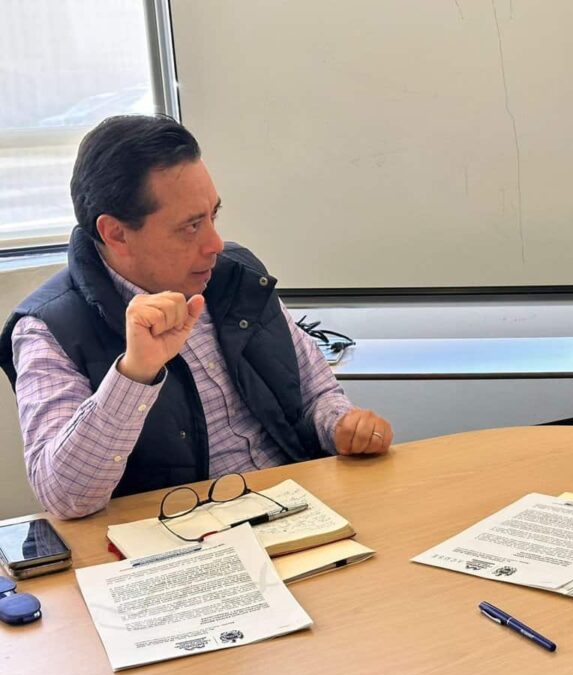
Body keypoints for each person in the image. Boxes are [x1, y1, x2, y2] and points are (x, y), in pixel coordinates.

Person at [0, 115, 393, 519]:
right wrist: (134, 374)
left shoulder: (235, 275)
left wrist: (342, 426)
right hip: (184, 535)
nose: (215, 244)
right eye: (190, 227)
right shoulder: (47, 329)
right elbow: (65, 497)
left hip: (299, 510)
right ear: (116, 234)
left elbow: (316, 394)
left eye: (212, 216)